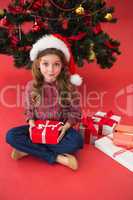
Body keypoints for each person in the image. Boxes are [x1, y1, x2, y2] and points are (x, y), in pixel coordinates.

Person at [6, 34, 84, 170]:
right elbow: (29, 109)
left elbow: (75, 112)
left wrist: (65, 127)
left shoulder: (69, 87)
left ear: (62, 66)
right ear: (38, 64)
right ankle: (58, 158)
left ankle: (28, 150)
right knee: (11, 136)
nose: (51, 70)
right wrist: (31, 124)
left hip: (60, 130)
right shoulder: (32, 86)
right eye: (45, 64)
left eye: (56, 65)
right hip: (38, 129)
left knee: (76, 141)